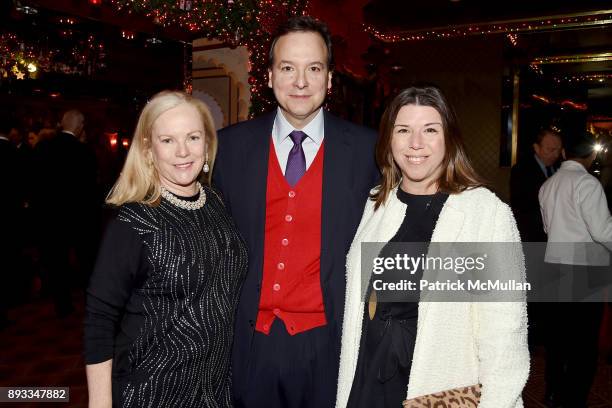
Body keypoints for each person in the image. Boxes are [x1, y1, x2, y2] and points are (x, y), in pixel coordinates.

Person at [213, 16, 379, 408]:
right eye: (288, 68)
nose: (300, 81)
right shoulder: (229, 149)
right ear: (269, 76)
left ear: (330, 79)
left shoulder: (370, 151)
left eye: (314, 68)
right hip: (250, 341)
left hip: (330, 342)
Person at [336, 86, 530, 408]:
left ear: (449, 138)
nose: (416, 143)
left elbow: (505, 334)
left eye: (429, 130)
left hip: (437, 386)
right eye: (403, 130)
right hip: (368, 378)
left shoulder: (484, 212)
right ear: (389, 139)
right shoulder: (377, 203)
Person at [84, 91, 247, 408]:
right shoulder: (133, 221)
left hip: (214, 392)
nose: (183, 151)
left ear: (207, 144)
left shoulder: (216, 202)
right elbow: (99, 319)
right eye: (168, 140)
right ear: (148, 149)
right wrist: (100, 403)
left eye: (193, 137)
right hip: (152, 393)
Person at [538, 130, 612, 408]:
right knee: (583, 342)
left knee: (558, 338)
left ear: (566, 153)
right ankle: (574, 398)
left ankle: (553, 391)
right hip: (583, 269)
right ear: (592, 154)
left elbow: (547, 229)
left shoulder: (548, 184)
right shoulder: (588, 183)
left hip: (553, 264)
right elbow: (603, 230)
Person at [33, 109, 99, 316]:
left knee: (57, 263)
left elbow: (35, 184)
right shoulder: (85, 152)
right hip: (80, 217)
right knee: (87, 262)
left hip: (52, 217)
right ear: (80, 127)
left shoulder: (43, 148)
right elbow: (91, 189)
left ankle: (63, 306)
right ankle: (93, 305)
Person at [510, 127, 562, 242]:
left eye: (558, 150)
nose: (556, 155)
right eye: (551, 150)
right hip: (532, 235)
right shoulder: (521, 170)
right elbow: (521, 207)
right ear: (536, 148)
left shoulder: (560, 168)